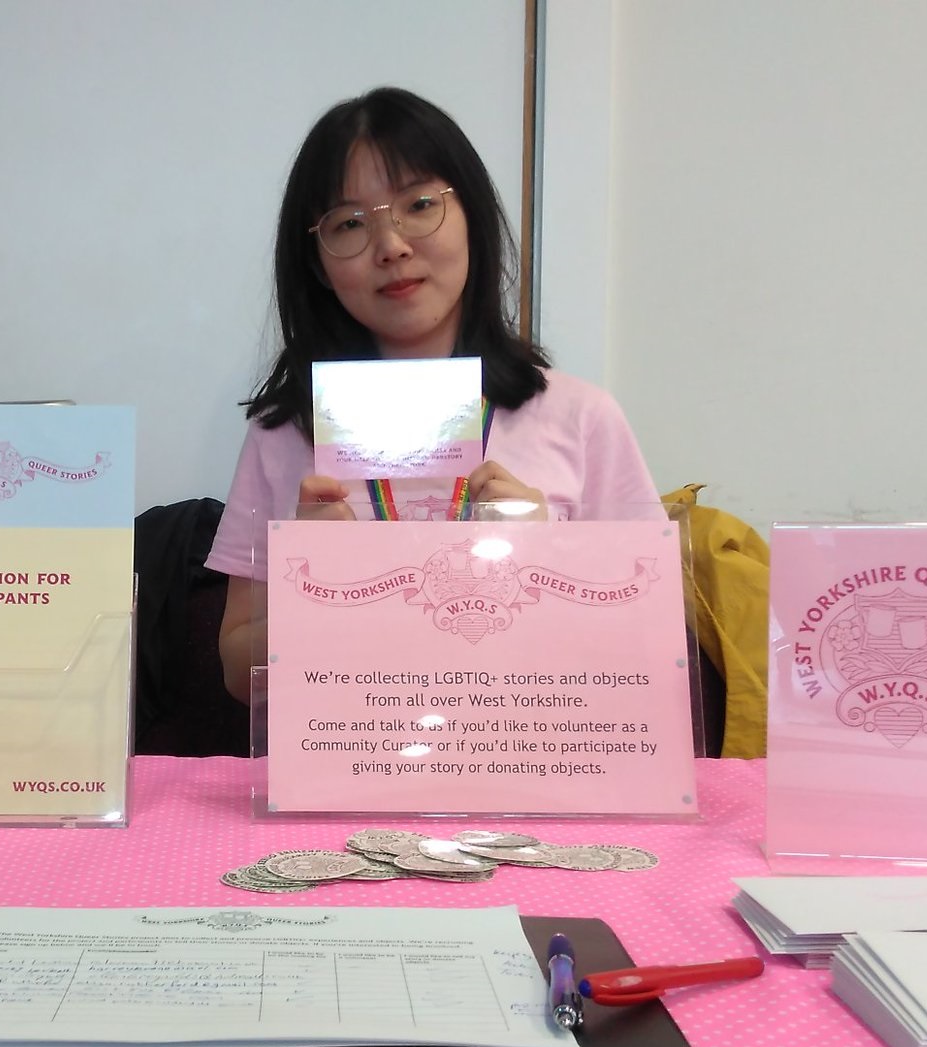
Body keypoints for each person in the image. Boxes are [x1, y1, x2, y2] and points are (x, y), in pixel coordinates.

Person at [206, 87, 661, 703]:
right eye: (348, 224)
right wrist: (310, 586)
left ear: (470, 213)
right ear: (317, 263)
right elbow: (238, 677)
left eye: (420, 204)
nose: (390, 245)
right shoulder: (283, 434)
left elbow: (656, 652)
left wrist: (548, 558)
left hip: (532, 767)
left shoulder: (581, 417)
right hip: (349, 768)